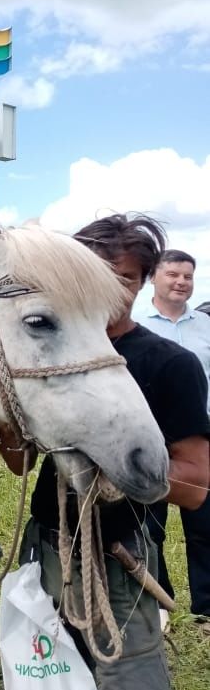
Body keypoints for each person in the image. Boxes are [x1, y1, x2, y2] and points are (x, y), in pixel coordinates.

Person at [0, 214, 210, 690]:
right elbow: (18, 463)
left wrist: (127, 474)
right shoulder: (50, 353)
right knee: (63, 689)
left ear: (142, 283)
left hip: (121, 557)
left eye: (126, 278)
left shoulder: (171, 365)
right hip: (49, 545)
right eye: (95, 274)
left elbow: (194, 482)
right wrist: (9, 416)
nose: (111, 290)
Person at [144, 249, 210, 621]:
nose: (181, 282)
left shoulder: (205, 324)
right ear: (154, 277)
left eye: (188, 276)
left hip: (200, 435)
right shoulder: (136, 324)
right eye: (173, 275)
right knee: (150, 525)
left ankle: (207, 606)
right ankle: (158, 600)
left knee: (205, 523)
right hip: (152, 437)